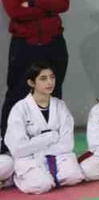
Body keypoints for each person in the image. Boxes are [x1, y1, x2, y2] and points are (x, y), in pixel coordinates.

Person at [2, 0, 71, 146]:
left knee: (53, 90)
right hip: (24, 46)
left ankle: (55, 138)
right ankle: (6, 140)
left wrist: (32, 3)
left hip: (54, 45)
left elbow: (63, 5)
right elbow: (15, 13)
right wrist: (48, 7)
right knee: (16, 91)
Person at [4, 63, 86, 193]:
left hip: (58, 156)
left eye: (52, 77)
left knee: (74, 177)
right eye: (43, 78)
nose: (49, 82)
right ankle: (16, 177)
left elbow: (67, 144)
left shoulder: (60, 106)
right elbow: (18, 148)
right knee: (42, 185)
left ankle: (41, 175)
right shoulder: (20, 109)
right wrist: (50, 137)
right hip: (29, 159)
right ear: (31, 83)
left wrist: (33, 144)